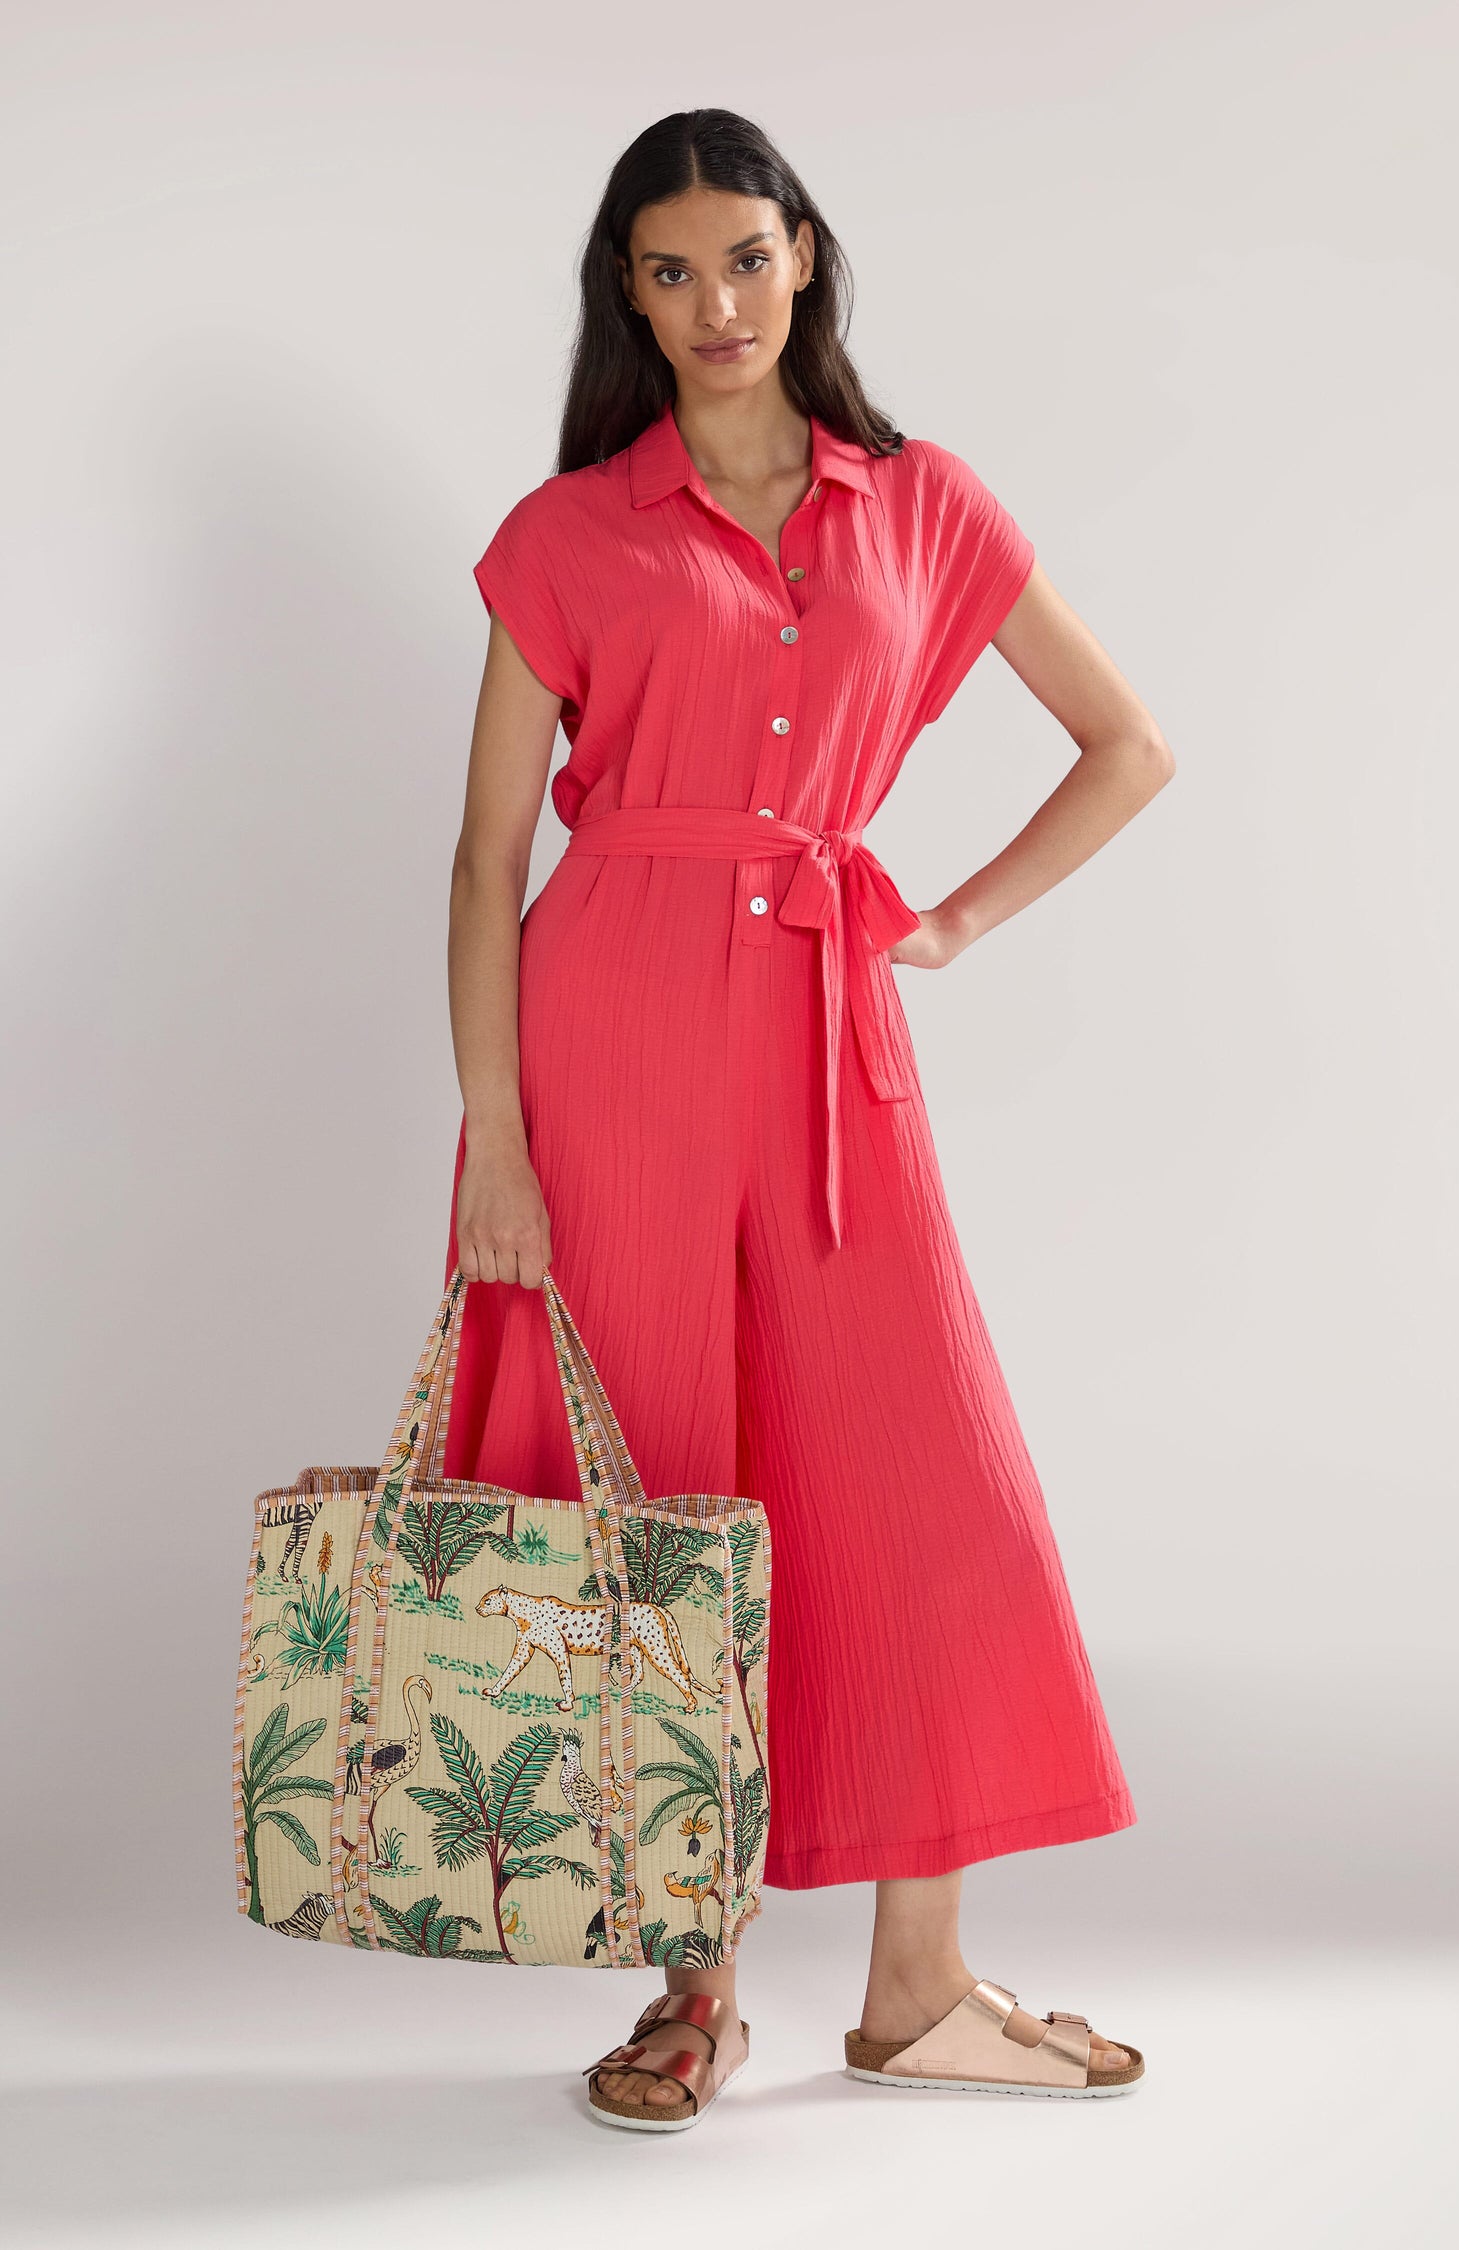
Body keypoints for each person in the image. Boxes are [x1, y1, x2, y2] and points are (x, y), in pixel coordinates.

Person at [442, 108, 1173, 2129]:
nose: (716, 304)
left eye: (748, 258)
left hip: (829, 1041)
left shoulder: (921, 504)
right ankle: (695, 1987)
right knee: (669, 1496)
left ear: (809, 260)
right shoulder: (569, 531)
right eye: (670, 272)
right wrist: (497, 1146)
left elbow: (1129, 745)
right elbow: (487, 854)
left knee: (915, 1481)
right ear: (629, 297)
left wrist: (942, 920)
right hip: (609, 1048)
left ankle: (919, 1984)